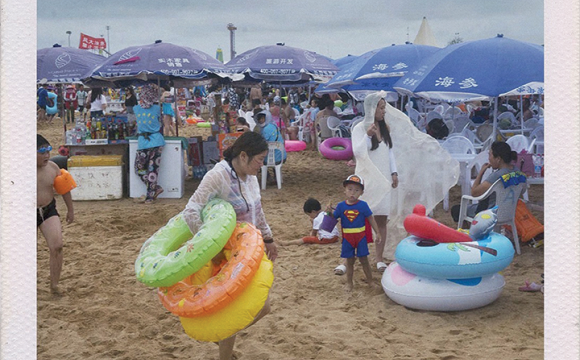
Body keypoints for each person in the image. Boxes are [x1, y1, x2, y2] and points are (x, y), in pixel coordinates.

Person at [181, 131, 277, 360]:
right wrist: (211, 247)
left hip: (251, 253)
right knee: (237, 308)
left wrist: (269, 238)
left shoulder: (250, 177)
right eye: (259, 160)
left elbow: (257, 210)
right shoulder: (218, 176)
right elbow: (191, 211)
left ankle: (222, 335)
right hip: (227, 256)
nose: (261, 165)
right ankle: (224, 350)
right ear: (243, 156)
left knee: (263, 308)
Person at [351, 90, 459, 265]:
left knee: (383, 219)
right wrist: (368, 135)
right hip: (368, 179)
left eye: (384, 108)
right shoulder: (359, 128)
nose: (383, 111)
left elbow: (389, 151)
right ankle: (355, 254)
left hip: (385, 180)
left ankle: (379, 258)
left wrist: (394, 172)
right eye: (380, 108)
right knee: (359, 218)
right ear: (371, 109)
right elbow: (357, 152)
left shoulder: (385, 128)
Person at [328, 175, 381, 292]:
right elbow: (332, 220)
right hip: (347, 238)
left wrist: (378, 233)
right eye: (350, 189)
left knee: (364, 259)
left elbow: (371, 218)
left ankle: (370, 282)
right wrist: (329, 212)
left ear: (362, 192)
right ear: (345, 190)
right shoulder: (341, 206)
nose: (353, 193)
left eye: (357, 190)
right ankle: (349, 283)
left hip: (360, 237)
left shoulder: (363, 205)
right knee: (349, 261)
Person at [37, 134, 74, 294]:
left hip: (48, 210)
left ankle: (54, 285)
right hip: (23, 213)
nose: (46, 155)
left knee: (57, 246)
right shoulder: (16, 171)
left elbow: (64, 189)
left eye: (48, 151)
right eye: (41, 152)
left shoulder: (52, 167)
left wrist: (70, 210)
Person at [451, 141, 521, 224]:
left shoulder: (496, 176)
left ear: (498, 159)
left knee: (455, 209)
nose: (489, 158)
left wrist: (481, 172)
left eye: (490, 155)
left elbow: (474, 192)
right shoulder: (517, 172)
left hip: (489, 213)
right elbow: (522, 191)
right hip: (509, 213)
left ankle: (471, 232)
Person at [133, 84, 165, 203]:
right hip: (156, 141)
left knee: (140, 169)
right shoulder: (157, 108)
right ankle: (154, 189)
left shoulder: (136, 108)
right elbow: (162, 123)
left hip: (145, 141)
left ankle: (150, 196)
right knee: (152, 170)